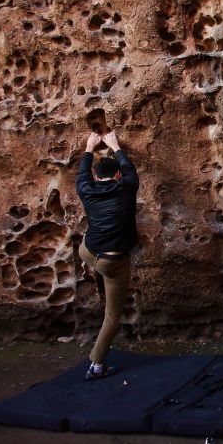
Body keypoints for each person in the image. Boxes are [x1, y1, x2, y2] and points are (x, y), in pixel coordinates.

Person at [75, 130, 139, 379]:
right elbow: (129, 170)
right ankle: (97, 364)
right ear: (117, 176)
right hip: (113, 261)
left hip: (89, 253)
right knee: (112, 315)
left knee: (89, 232)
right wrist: (115, 144)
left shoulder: (86, 190)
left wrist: (89, 147)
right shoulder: (127, 188)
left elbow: (82, 174)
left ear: (95, 177)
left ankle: (93, 262)